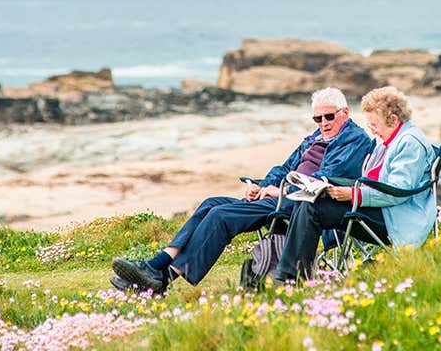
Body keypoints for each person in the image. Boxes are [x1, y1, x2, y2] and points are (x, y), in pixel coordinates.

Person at [110, 86, 373, 293]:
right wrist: (259, 187)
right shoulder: (314, 139)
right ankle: (156, 266)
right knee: (211, 203)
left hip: (302, 204)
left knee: (220, 216)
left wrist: (277, 191)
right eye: (318, 118)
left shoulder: (354, 140)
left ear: (345, 113)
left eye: (329, 116)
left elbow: (323, 180)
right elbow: (284, 167)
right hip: (280, 196)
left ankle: (161, 277)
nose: (323, 123)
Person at [273, 85, 436, 283]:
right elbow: (371, 178)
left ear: (393, 119)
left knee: (311, 208)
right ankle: (290, 274)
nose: (373, 132)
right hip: (377, 206)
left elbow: (397, 191)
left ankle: (290, 278)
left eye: (374, 125)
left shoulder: (409, 143)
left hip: (395, 217)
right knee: (309, 199)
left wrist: (353, 195)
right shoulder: (387, 139)